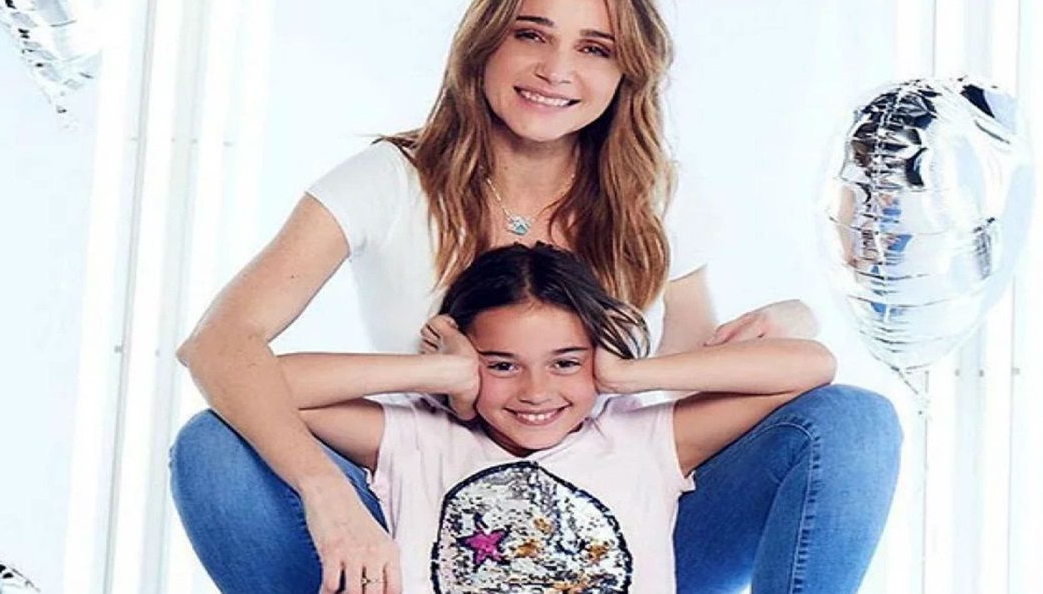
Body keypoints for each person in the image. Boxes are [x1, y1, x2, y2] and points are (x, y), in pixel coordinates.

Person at [170, 0, 902, 594]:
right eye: (532, 34)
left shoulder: (655, 192)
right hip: (421, 512)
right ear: (485, 42)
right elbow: (220, 344)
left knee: (853, 421)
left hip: (626, 514)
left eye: (595, 47)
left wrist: (792, 318)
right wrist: (324, 488)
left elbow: (693, 378)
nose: (556, 70)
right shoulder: (387, 181)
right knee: (214, 445)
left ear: (626, 72)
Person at [280, 242, 836, 592]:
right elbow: (276, 384)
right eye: (502, 365)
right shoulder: (420, 438)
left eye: (565, 362)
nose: (536, 392)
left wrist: (625, 375)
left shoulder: (639, 438)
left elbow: (811, 366)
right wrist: (442, 373)